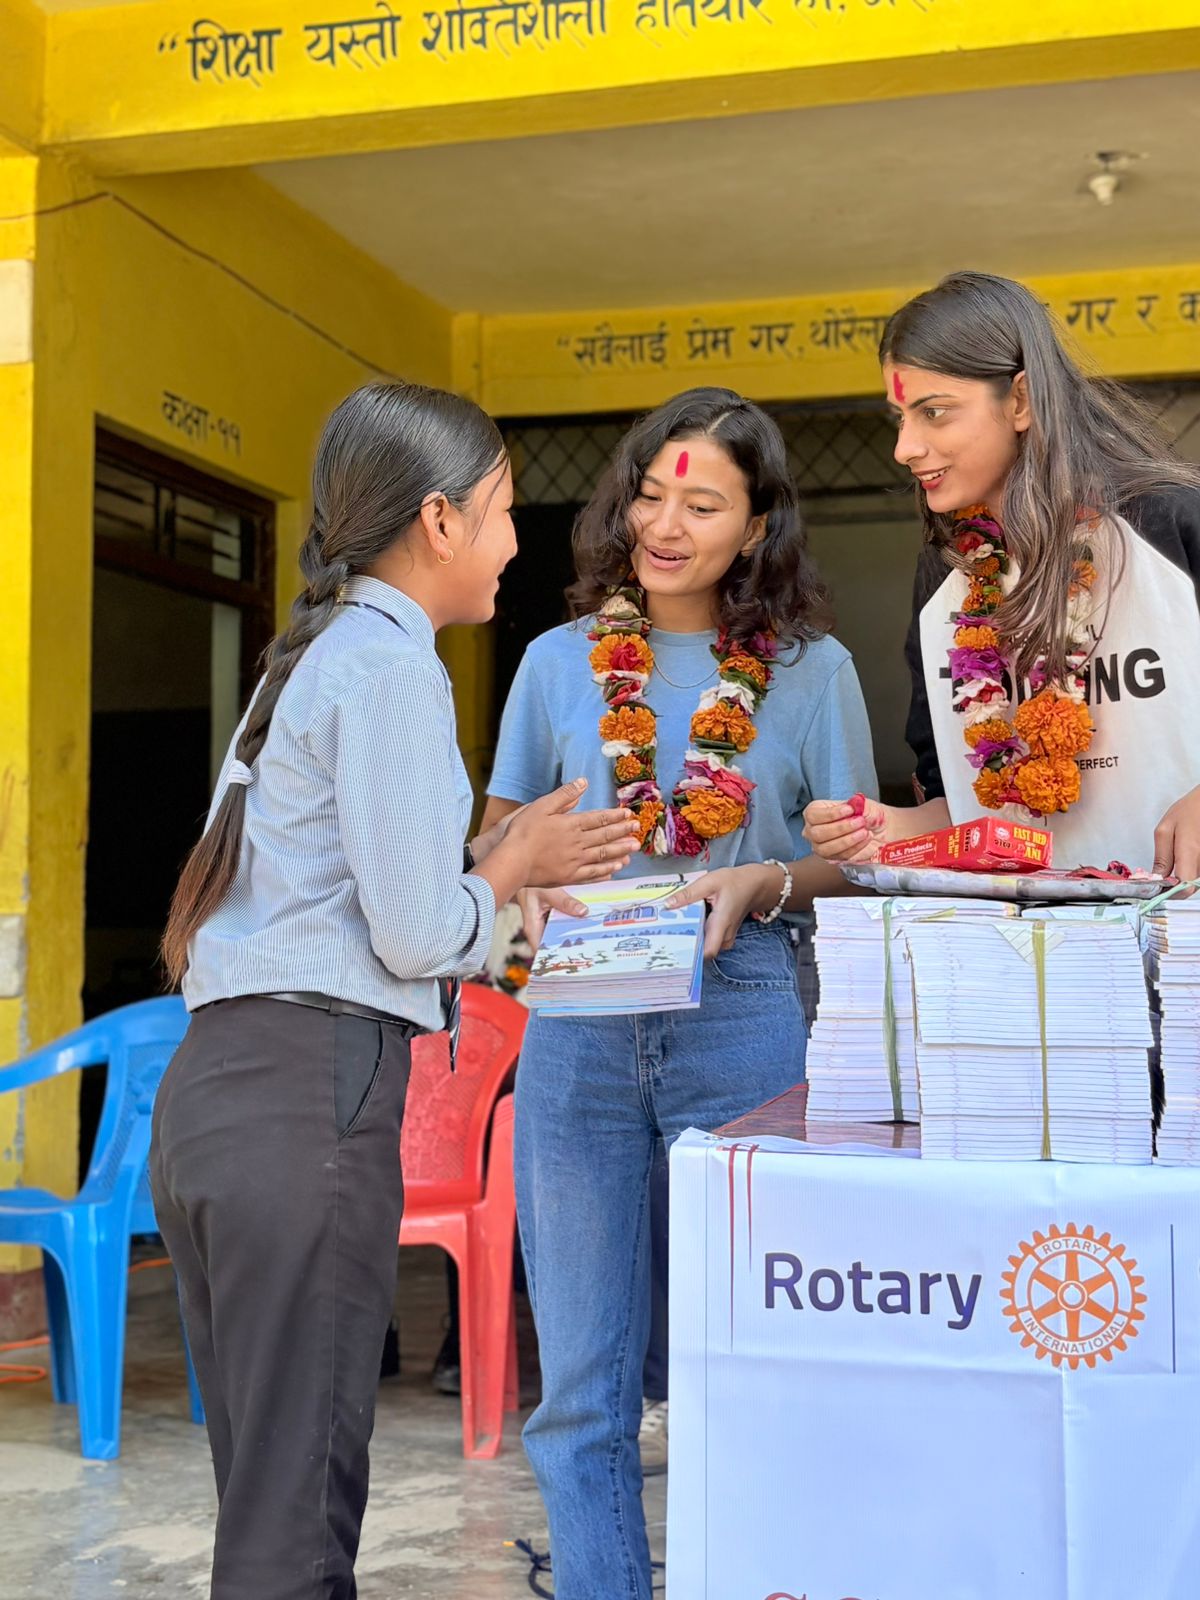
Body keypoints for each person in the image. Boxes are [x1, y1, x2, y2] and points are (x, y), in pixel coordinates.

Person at [150, 381, 639, 1600]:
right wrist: (513, 872)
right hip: (306, 1100)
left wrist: (500, 868)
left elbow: (355, 894)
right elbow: (419, 931)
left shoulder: (307, 657)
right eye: (505, 512)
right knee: (298, 1518)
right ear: (438, 518)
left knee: (270, 1492)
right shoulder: (387, 664)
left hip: (219, 1090)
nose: (517, 543)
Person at [480, 386, 878, 1598]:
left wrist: (758, 877)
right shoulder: (557, 664)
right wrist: (525, 878)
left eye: (701, 502)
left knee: (744, 1352)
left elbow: (853, 863)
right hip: (579, 1021)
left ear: (756, 527)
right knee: (585, 1382)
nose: (664, 522)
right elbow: (501, 827)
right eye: (649, 493)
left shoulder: (813, 672)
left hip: (743, 1008)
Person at [804, 270, 1200, 879]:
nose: (904, 447)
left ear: (1020, 400)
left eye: (934, 412)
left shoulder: (1167, 523)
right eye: (900, 417)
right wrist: (885, 829)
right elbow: (954, 798)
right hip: (1013, 951)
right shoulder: (946, 571)